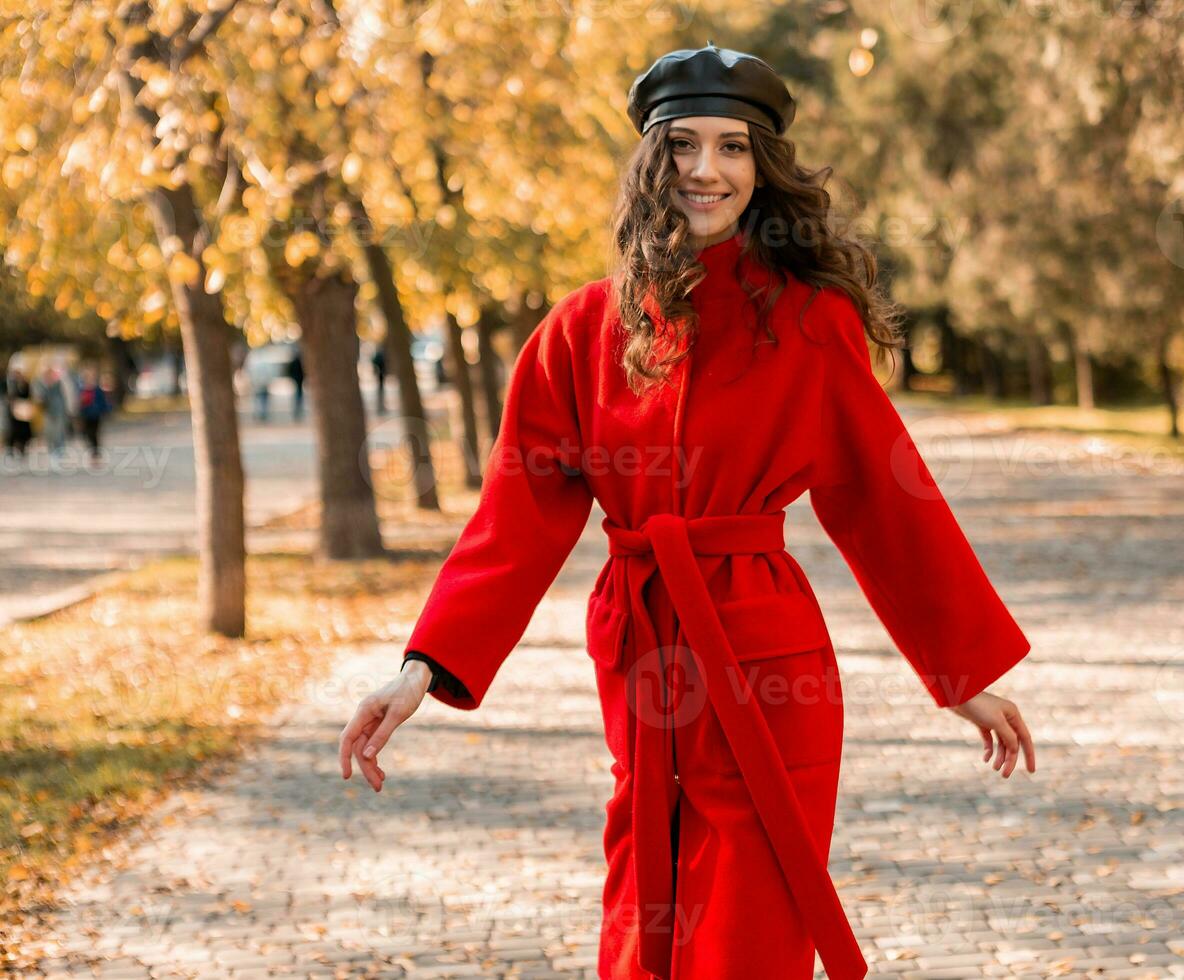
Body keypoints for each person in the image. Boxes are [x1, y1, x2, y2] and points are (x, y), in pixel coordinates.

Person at [337, 44, 1036, 980]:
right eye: (685, 147)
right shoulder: (581, 332)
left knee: (752, 909)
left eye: (734, 148)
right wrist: (421, 668)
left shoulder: (808, 321)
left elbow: (883, 495)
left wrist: (962, 670)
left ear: (762, 168)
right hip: (638, 645)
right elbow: (513, 519)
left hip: (766, 652)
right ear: (650, 163)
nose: (707, 170)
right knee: (645, 885)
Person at [35, 362, 74, 459]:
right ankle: (52, 449)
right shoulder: (41, 383)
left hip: (59, 411)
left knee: (59, 431)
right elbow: (39, 396)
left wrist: (68, 409)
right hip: (48, 412)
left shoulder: (58, 382)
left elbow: (65, 396)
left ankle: (59, 450)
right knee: (49, 432)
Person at [76, 366, 112, 464]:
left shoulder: (97, 389)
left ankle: (95, 453)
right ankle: (93, 450)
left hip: (96, 414)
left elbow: (103, 401)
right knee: (85, 434)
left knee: (94, 433)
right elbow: (77, 402)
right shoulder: (81, 389)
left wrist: (106, 411)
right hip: (85, 415)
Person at [4, 364, 35, 458]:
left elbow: (29, 395)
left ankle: (22, 449)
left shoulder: (25, 383)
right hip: (13, 411)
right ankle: (11, 450)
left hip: (23, 411)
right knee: (13, 431)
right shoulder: (10, 383)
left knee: (24, 430)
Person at [285, 345, 305, 421]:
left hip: (297, 380)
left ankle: (297, 410)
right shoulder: (299, 361)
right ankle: (298, 409)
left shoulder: (295, 361)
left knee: (297, 395)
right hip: (298, 380)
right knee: (298, 395)